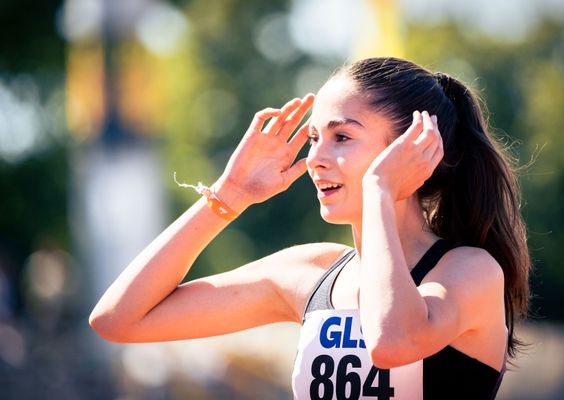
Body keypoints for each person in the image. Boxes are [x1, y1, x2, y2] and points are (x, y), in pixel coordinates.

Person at [89, 57, 530, 399]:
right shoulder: (309, 273)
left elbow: (392, 342)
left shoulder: (468, 272)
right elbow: (118, 320)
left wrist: (380, 189)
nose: (316, 157)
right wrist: (230, 194)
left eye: (342, 137)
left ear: (414, 148)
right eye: (314, 137)